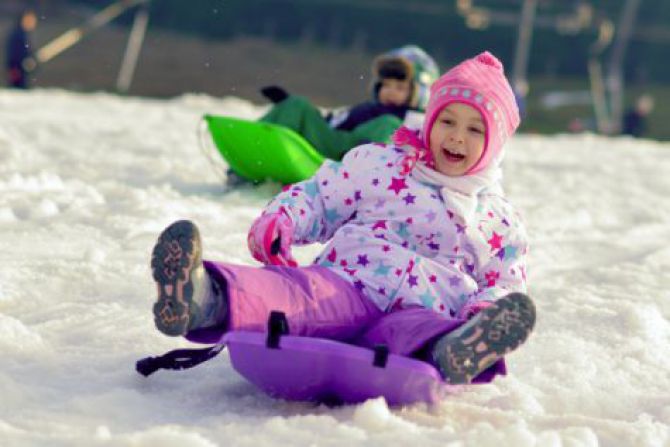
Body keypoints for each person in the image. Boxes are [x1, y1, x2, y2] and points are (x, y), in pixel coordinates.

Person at [151, 51, 535, 385]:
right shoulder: (383, 163)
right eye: (447, 122)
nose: (457, 137)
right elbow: (321, 196)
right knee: (295, 295)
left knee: (420, 334)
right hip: (349, 282)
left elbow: (503, 280)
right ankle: (202, 297)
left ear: (495, 144)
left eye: (475, 129)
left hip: (424, 309)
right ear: (430, 119)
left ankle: (457, 350)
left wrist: (484, 311)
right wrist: (284, 217)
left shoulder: (497, 219)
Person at [259, 45, 439, 161]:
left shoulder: (414, 121)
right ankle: (260, 142)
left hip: (352, 158)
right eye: (386, 85)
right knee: (297, 104)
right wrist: (301, 115)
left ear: (418, 92)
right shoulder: (369, 108)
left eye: (400, 88)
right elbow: (335, 124)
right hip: (331, 143)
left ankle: (361, 160)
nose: (390, 91)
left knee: (390, 124)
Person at [5, 8, 38, 89]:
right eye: (29, 20)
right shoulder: (17, 35)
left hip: (21, 72)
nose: (32, 23)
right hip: (17, 73)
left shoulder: (23, 35)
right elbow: (14, 56)